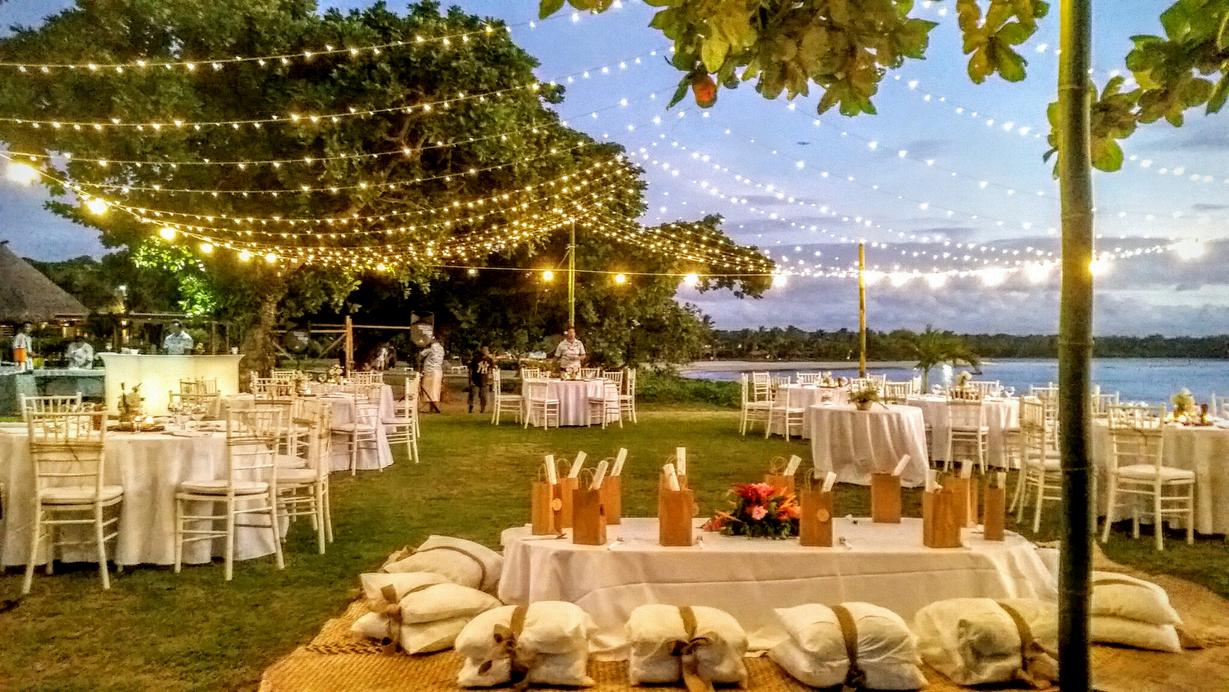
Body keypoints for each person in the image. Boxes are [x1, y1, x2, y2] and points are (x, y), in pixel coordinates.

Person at [420, 335, 445, 413]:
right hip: (438, 371)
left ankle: (434, 407)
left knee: (429, 390)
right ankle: (433, 407)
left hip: (430, 371)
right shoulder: (441, 348)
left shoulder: (432, 348)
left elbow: (421, 355)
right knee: (435, 390)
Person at [467, 346, 495, 414]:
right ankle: (471, 407)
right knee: (473, 394)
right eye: (484, 350)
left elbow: (491, 370)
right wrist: (470, 379)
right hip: (475, 379)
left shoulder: (489, 360)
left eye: (487, 350)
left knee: (483, 396)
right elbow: (471, 369)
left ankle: (482, 409)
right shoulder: (476, 358)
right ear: (481, 350)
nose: (485, 351)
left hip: (484, 380)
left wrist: (491, 379)